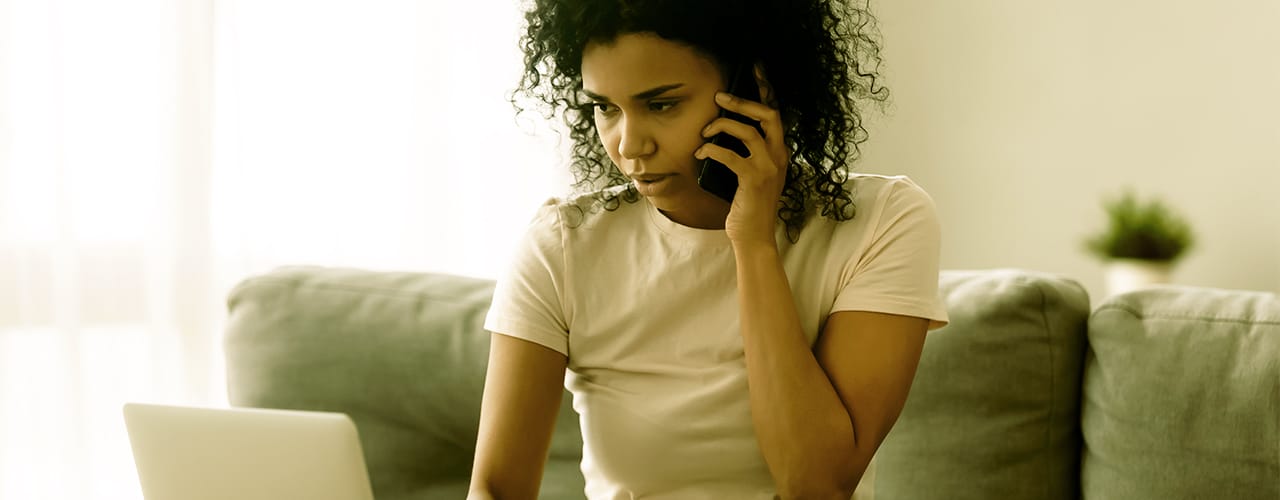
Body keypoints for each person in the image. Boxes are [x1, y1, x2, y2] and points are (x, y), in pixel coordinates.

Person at [469, 0, 949, 498]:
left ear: (754, 90)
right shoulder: (563, 245)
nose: (628, 146)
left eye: (661, 105)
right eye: (606, 108)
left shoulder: (882, 221)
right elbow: (496, 489)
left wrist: (754, 243)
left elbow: (817, 483)